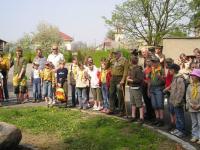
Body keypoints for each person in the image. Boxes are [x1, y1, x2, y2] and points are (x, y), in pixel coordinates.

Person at [107, 50, 128, 116]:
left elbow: (125, 71)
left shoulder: (124, 60)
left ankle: (122, 111)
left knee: (120, 95)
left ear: (119, 54)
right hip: (113, 78)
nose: (114, 55)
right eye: (114, 54)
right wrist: (108, 59)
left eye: (116, 54)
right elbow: (106, 67)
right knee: (111, 93)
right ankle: (111, 109)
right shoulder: (112, 60)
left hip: (120, 78)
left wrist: (123, 80)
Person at [169, 64, 186, 138]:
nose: (169, 71)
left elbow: (181, 91)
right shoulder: (175, 78)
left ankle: (182, 131)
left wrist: (178, 101)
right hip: (174, 101)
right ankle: (178, 129)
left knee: (180, 116)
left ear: (173, 70)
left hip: (178, 102)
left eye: (170, 69)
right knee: (177, 116)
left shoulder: (179, 79)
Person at [148, 56, 165, 127]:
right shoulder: (151, 69)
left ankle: (161, 120)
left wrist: (160, 77)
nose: (152, 63)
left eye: (154, 62)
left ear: (158, 62)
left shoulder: (161, 69)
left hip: (159, 88)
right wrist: (148, 90)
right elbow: (149, 80)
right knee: (154, 105)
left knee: (160, 105)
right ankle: (157, 119)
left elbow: (165, 81)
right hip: (152, 89)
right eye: (152, 62)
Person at [127, 55, 144, 123]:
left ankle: (141, 118)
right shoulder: (131, 69)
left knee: (139, 103)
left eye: (130, 61)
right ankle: (133, 116)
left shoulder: (138, 69)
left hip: (137, 88)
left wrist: (130, 80)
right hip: (131, 87)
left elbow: (139, 80)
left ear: (131, 61)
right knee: (133, 103)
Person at [186, 69, 200, 144]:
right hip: (192, 107)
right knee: (194, 122)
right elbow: (187, 96)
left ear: (198, 77)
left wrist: (198, 105)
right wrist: (190, 104)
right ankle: (195, 136)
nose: (192, 77)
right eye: (192, 75)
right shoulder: (189, 86)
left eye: (194, 75)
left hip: (199, 107)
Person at [163, 58, 175, 131]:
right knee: (170, 109)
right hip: (168, 91)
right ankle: (172, 123)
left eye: (165, 63)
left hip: (171, 92)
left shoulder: (172, 71)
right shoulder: (168, 71)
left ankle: (174, 124)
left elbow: (173, 82)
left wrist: (167, 88)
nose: (165, 65)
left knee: (173, 109)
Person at [142, 57, 155, 122]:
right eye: (147, 61)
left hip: (152, 86)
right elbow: (142, 78)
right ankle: (148, 114)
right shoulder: (144, 70)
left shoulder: (153, 69)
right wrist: (145, 81)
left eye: (149, 61)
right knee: (146, 101)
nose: (148, 62)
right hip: (145, 86)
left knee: (152, 101)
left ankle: (153, 115)